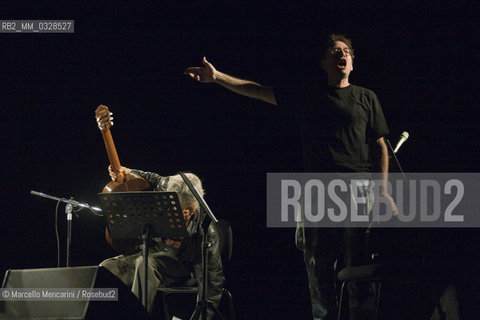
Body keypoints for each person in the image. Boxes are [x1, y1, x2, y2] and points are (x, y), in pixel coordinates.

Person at [185, 34, 396, 320]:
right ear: (324, 62)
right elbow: (258, 90)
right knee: (319, 272)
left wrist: (383, 192)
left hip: (358, 193)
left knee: (358, 270)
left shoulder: (366, 97)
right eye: (335, 51)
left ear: (352, 62)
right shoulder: (310, 96)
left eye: (346, 51)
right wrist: (217, 77)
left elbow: (381, 146)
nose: (342, 55)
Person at [100, 166, 225, 319]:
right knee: (107, 268)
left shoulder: (206, 230)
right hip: (156, 250)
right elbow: (153, 178)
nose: (180, 213)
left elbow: (213, 280)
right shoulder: (167, 186)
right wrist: (127, 172)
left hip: (183, 263)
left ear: (193, 208)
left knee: (145, 264)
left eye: (185, 211)